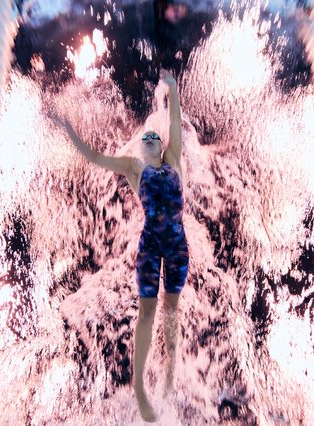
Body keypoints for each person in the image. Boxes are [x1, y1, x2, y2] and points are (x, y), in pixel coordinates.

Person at [60, 69, 189, 422]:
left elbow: (174, 121)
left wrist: (172, 90)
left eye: (154, 136)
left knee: (172, 310)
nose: (149, 137)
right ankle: (139, 388)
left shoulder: (175, 159)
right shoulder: (134, 168)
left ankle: (170, 370)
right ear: (140, 147)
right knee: (148, 312)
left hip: (177, 244)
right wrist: (71, 134)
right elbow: (97, 158)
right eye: (144, 136)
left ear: (161, 145)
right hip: (150, 244)